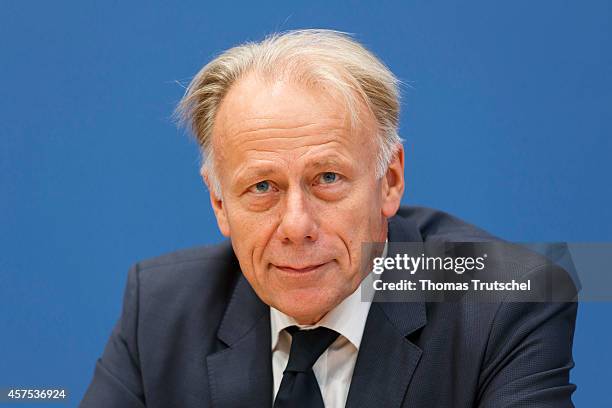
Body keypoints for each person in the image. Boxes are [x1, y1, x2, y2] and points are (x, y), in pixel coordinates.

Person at [81, 29, 578, 407]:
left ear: (390, 181)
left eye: (328, 179)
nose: (296, 225)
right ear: (218, 204)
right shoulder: (162, 308)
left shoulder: (508, 297)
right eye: (262, 187)